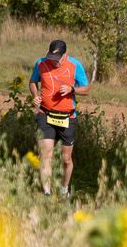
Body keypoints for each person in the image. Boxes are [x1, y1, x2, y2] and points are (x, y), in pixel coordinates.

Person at [30, 39, 90, 195]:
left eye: (57, 59)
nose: (54, 62)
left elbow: (86, 88)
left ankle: (64, 190)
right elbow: (32, 82)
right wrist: (36, 95)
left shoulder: (75, 65)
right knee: (46, 154)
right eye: (51, 58)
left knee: (66, 159)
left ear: (65, 55)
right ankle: (47, 193)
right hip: (45, 114)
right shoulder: (41, 63)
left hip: (67, 117)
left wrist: (72, 89)